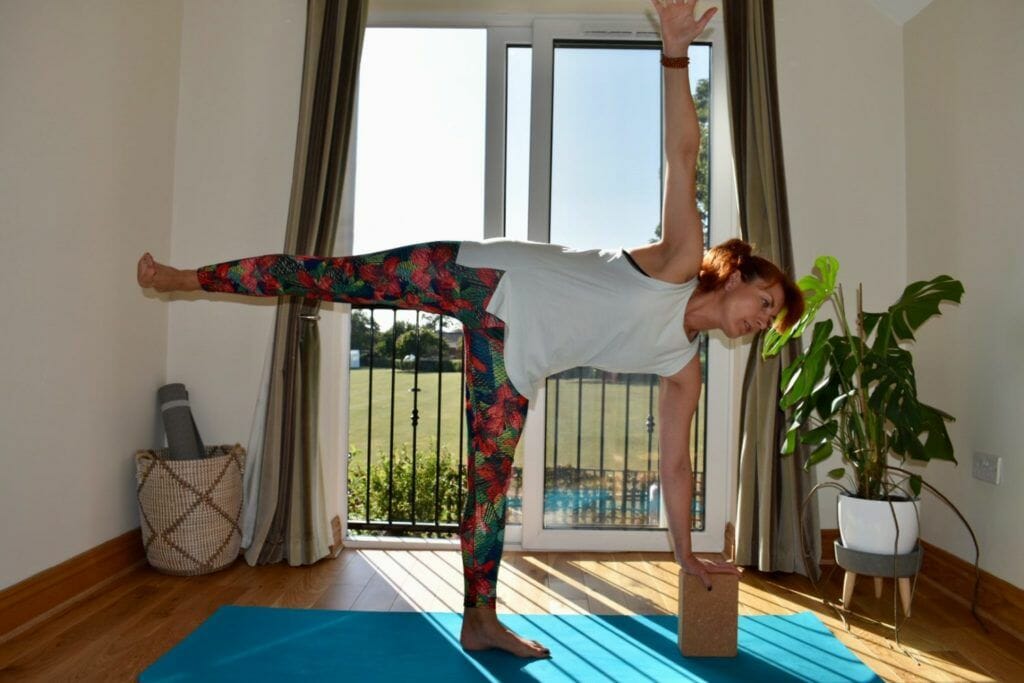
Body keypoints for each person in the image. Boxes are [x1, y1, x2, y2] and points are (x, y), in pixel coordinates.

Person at [137, 0, 803, 659]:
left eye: (770, 320)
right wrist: (676, 52)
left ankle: (479, 618)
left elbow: (678, 464)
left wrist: (683, 548)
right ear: (739, 274)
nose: (761, 321)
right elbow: (683, 155)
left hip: (513, 361)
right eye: (767, 302)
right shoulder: (682, 261)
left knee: (487, 487)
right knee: (335, 275)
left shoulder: (683, 366)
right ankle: (187, 277)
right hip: (481, 275)